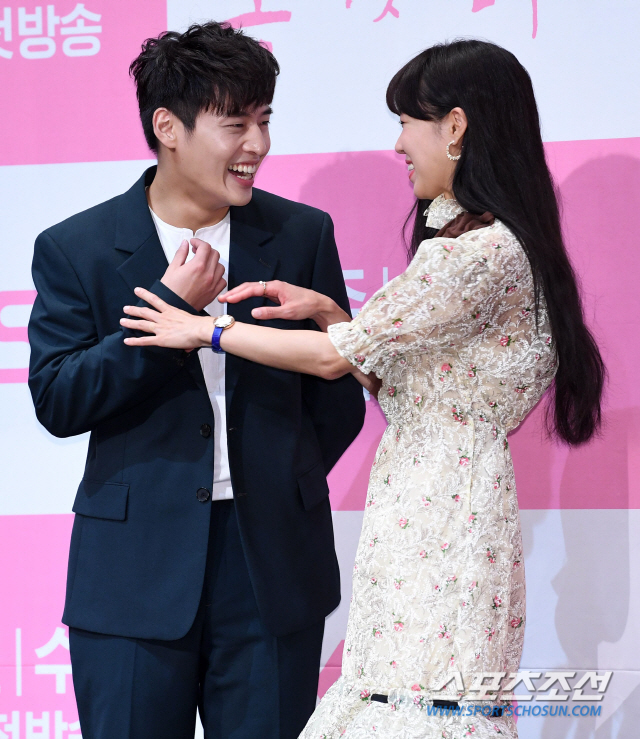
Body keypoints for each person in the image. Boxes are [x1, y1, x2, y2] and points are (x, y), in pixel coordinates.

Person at [120, 39, 605, 738]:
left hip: (441, 517)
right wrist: (330, 312)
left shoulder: (476, 254)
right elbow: (402, 379)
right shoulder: (490, 244)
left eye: (407, 122)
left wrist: (204, 330)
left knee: (420, 704)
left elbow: (330, 362)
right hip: (434, 504)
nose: (399, 143)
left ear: (456, 127)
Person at [27, 22, 365, 739]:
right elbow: (58, 398)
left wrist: (284, 474)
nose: (258, 145)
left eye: (265, 120)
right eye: (235, 124)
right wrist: (170, 307)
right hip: (133, 574)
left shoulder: (301, 234)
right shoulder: (78, 247)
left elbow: (337, 395)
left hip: (270, 565)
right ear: (168, 128)